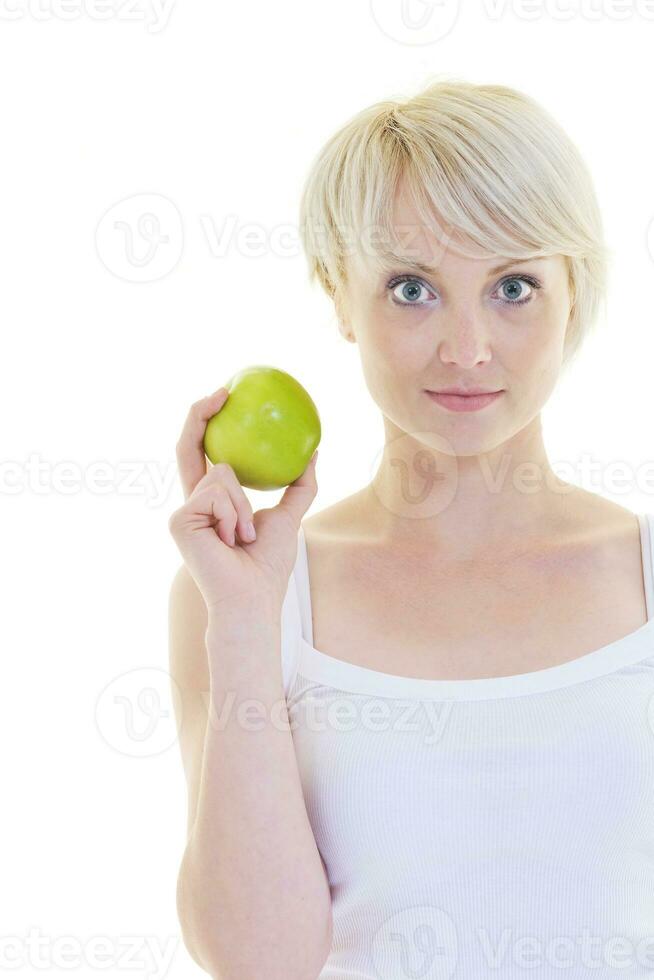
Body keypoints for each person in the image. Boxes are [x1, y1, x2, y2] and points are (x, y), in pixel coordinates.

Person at [168, 78, 654, 979]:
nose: (466, 346)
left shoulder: (643, 574)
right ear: (337, 295)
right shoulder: (255, 595)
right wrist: (242, 621)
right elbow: (259, 961)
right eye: (410, 288)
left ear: (575, 292)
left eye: (513, 285)